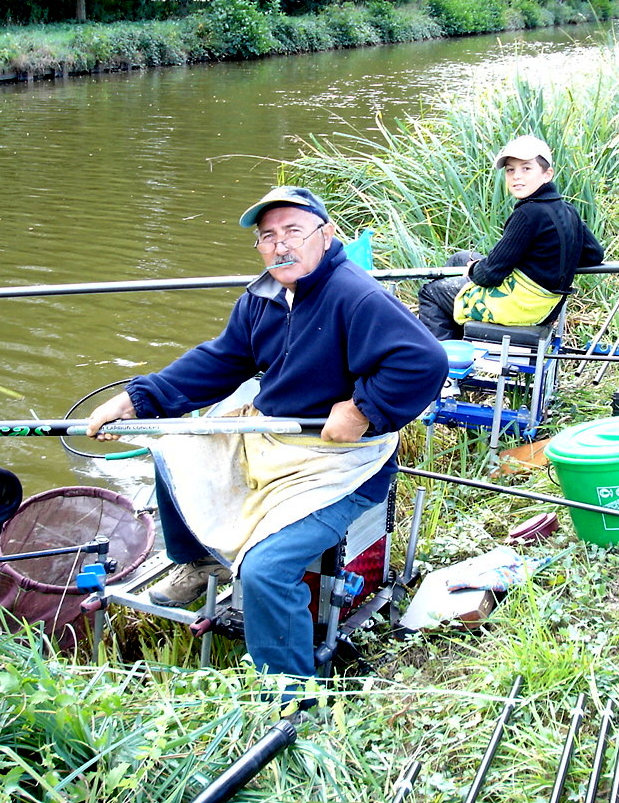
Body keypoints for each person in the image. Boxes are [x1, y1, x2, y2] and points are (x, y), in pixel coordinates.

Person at [86, 185, 447, 683]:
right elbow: (221, 360)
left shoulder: (355, 294)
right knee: (174, 447)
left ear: (326, 234)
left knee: (264, 571)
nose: (280, 245)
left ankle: (291, 696)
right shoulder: (264, 295)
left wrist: (365, 409)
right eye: (268, 236)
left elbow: (425, 360)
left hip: (339, 461)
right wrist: (137, 400)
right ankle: (200, 562)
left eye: (293, 231)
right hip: (272, 435)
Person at [417, 135, 604, 342]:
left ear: (547, 174)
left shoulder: (528, 214)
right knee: (459, 258)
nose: (516, 176)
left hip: (521, 306)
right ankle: (462, 342)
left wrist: (473, 270)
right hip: (546, 304)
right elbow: (594, 255)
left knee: (431, 292)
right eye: (510, 170)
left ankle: (447, 365)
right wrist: (547, 261)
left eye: (526, 168)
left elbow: (489, 275)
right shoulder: (567, 210)